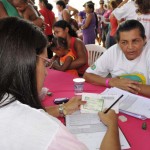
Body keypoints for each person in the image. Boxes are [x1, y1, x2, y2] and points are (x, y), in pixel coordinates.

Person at [0, 17, 121, 150]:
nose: (46, 72)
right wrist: (112, 125)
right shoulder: (49, 133)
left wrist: (62, 109)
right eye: (44, 62)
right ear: (26, 65)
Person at [84, 20, 150, 97]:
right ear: (118, 42)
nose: (130, 47)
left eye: (135, 41)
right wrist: (111, 82)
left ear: (144, 39)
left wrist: (127, 86)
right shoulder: (113, 51)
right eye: (124, 42)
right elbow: (87, 75)